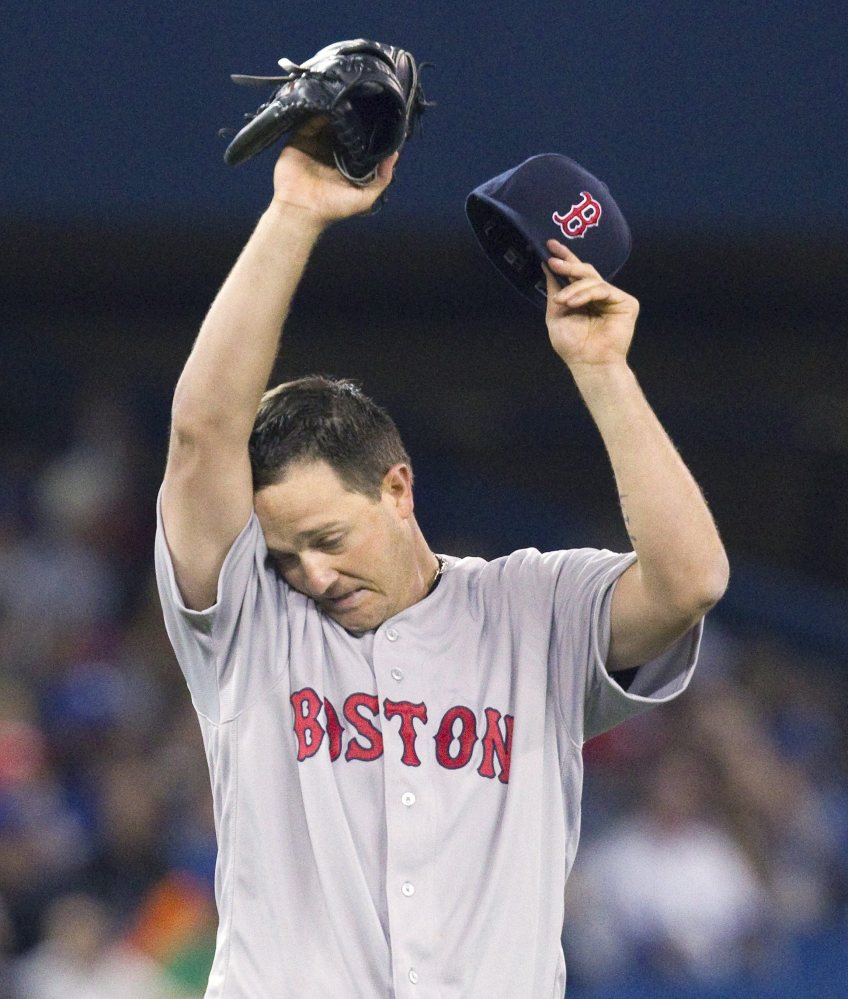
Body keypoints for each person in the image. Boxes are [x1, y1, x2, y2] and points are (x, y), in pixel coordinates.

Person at [154, 125, 729, 998]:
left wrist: (604, 368)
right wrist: (295, 212)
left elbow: (691, 583)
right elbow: (202, 436)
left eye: (328, 538)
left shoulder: (533, 606)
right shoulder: (247, 622)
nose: (309, 573)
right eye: (285, 554)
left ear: (397, 487)